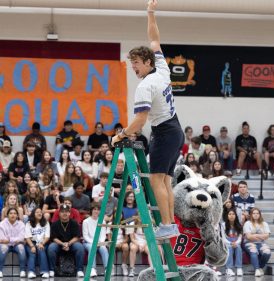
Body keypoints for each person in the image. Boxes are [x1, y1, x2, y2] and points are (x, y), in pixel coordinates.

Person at [113, 0, 184, 240]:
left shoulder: (145, 86)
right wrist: (150, 13)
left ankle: (166, 225)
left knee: (156, 180)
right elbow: (154, 39)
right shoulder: (162, 68)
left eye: (136, 63)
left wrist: (120, 135)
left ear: (147, 63)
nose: (133, 67)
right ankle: (170, 223)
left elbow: (139, 122)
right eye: (131, 62)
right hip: (176, 129)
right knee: (165, 180)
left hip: (164, 132)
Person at [47, 204, 85, 278]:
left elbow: (77, 237)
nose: (64, 213)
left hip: (72, 244)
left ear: (69, 213)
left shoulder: (74, 223)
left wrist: (68, 243)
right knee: (51, 247)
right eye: (62, 212)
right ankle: (52, 270)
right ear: (59, 213)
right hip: (59, 244)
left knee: (80, 247)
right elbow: (54, 238)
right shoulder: (55, 224)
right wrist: (62, 244)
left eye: (66, 212)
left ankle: (79, 270)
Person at [82, 203, 109, 277]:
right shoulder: (86, 221)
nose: (96, 211)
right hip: (88, 242)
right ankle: (92, 269)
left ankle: (107, 269)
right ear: (91, 210)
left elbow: (103, 234)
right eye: (94, 209)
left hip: (99, 242)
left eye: (98, 209)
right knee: (91, 247)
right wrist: (94, 243)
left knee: (103, 248)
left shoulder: (102, 221)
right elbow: (85, 236)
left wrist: (100, 242)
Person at [243, 208, 271, 277]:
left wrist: (255, 235)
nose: (255, 215)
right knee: (253, 251)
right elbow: (249, 237)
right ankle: (257, 269)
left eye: (257, 213)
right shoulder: (247, 223)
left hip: (261, 243)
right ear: (251, 215)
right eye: (254, 213)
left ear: (260, 215)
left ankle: (260, 267)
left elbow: (267, 236)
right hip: (249, 243)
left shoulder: (264, 224)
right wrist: (261, 236)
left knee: (267, 252)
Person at [0, 207, 26, 278]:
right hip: (6, 245)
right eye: (11, 213)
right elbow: (1, 238)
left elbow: (21, 237)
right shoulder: (2, 224)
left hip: (17, 245)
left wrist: (9, 240)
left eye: (15, 213)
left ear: (17, 215)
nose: (13, 215)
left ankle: (22, 270)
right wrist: (15, 240)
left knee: (21, 248)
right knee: (3, 248)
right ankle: (0, 270)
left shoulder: (21, 224)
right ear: (7, 215)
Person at [25, 207, 50, 278]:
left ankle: (44, 271)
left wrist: (42, 244)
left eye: (40, 212)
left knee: (41, 250)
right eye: (37, 212)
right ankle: (31, 272)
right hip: (31, 242)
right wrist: (32, 246)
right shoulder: (28, 223)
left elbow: (47, 236)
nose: (39, 213)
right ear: (33, 214)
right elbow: (27, 237)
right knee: (32, 252)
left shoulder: (46, 223)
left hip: (43, 242)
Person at [223, 208, 243, 276]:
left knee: (239, 248)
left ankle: (239, 268)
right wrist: (230, 243)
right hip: (227, 243)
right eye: (230, 214)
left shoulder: (239, 226)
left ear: (236, 216)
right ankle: (229, 268)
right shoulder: (223, 225)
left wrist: (236, 243)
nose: (231, 216)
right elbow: (223, 238)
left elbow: (240, 238)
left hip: (236, 243)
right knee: (229, 248)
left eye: (233, 214)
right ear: (227, 216)